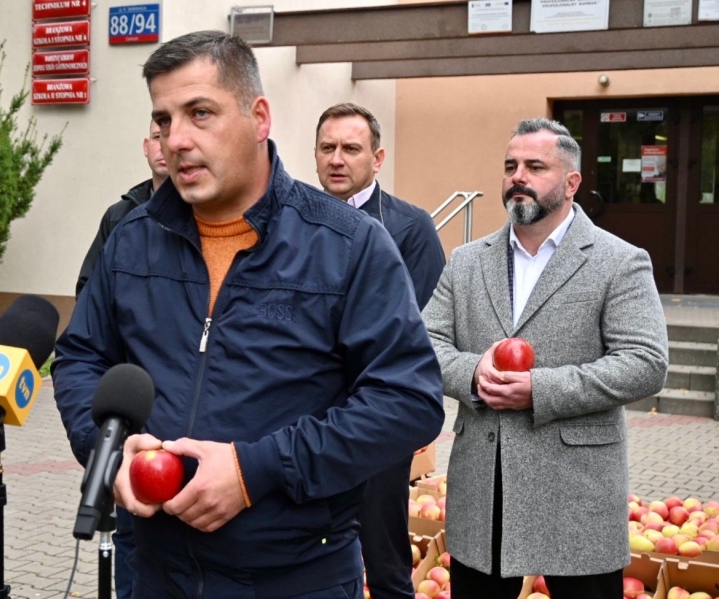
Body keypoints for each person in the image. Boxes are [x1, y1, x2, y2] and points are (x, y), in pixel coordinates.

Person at [53, 30, 445, 599]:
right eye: (163, 120)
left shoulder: (349, 245)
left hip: (297, 576)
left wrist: (255, 471)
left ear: (259, 117)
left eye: (200, 113)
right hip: (154, 571)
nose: (176, 140)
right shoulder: (131, 239)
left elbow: (408, 402)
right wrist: (106, 448)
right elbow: (80, 357)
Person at [422, 118, 669, 599]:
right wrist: (471, 373)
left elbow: (646, 362)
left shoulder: (619, 260)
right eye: (510, 166)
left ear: (572, 183)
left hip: (576, 492)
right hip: (484, 489)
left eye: (535, 167)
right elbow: (424, 343)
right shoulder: (467, 261)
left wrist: (541, 389)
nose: (518, 176)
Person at [314, 103, 445, 599]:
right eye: (327, 148)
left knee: (384, 555)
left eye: (351, 148)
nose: (337, 159)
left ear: (378, 158)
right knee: (310, 553)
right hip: (305, 417)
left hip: (374, 419)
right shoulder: (293, 222)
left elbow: (422, 332)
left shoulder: (410, 227)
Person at [67, 119, 169, 599]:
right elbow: (89, 307)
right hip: (133, 409)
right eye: (159, 133)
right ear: (146, 146)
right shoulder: (122, 218)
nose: (170, 144)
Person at [75, 119, 169, 297]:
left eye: (171, 137)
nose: (164, 147)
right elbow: (89, 289)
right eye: (158, 137)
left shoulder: (204, 214)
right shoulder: (118, 216)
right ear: (146, 147)